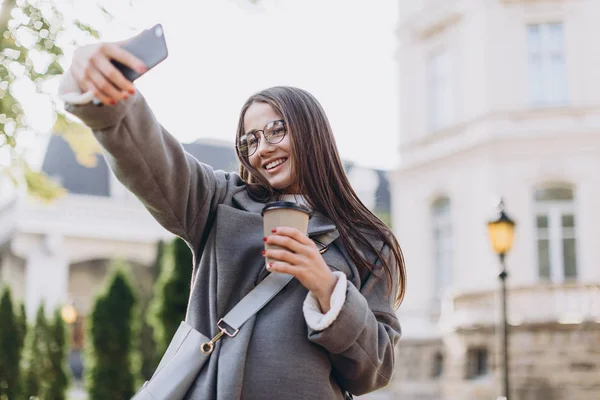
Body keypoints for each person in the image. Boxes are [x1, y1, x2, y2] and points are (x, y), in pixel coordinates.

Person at [59, 38, 407, 400]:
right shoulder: (218, 203)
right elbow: (153, 160)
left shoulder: (367, 241)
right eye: (249, 141)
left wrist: (327, 287)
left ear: (311, 130)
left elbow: (376, 370)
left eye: (276, 130)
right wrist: (106, 94)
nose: (262, 149)